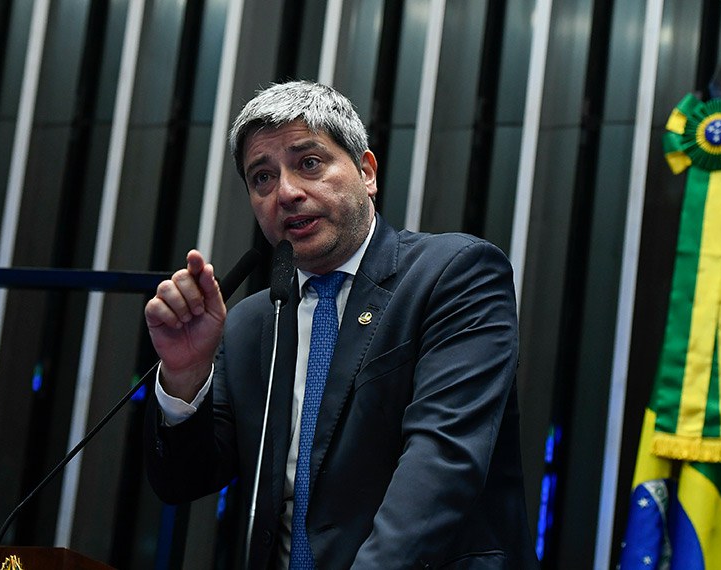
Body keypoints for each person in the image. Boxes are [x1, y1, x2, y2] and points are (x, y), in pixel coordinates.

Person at [143, 80, 538, 569]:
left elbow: (441, 465)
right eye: (262, 178)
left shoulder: (455, 275)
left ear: (367, 172)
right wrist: (184, 377)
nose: (285, 192)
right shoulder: (250, 323)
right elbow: (184, 481)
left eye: (309, 164)